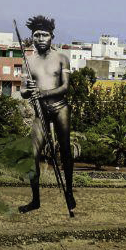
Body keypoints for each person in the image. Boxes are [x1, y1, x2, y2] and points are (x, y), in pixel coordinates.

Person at [19, 15, 76, 213]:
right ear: (32, 37)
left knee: (65, 150)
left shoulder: (62, 58)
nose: (41, 38)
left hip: (60, 108)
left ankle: (69, 191)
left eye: (44, 35)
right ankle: (35, 199)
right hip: (39, 113)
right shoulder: (29, 61)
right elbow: (23, 91)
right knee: (32, 154)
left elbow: (65, 87)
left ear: (52, 36)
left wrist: (43, 92)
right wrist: (29, 88)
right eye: (37, 35)